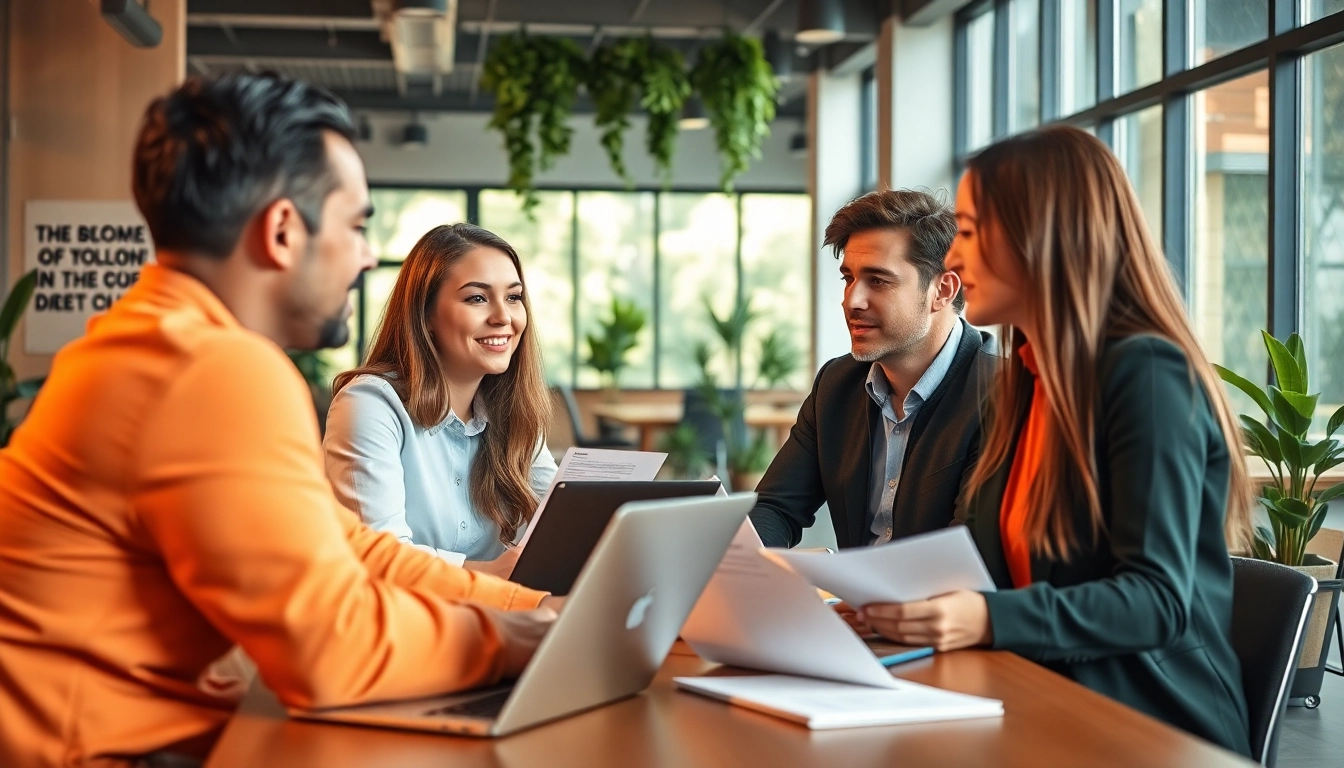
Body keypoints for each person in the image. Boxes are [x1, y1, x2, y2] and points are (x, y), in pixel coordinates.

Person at [0, 74, 559, 768]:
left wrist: (534, 605)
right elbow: (327, 649)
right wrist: (508, 638)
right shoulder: (211, 368)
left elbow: (357, 549)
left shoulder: (160, 341)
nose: (363, 255)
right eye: (357, 226)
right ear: (284, 230)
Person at [860, 125, 1252, 756]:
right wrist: (890, 604)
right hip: (1039, 697)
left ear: (1042, 234)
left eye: (969, 230)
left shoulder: (1147, 375)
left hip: (1149, 730)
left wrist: (987, 617)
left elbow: (1158, 601)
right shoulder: (1028, 377)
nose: (953, 260)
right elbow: (989, 566)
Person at [748, 189, 996, 549]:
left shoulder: (1000, 395)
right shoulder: (836, 385)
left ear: (942, 290)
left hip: (939, 601)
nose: (852, 300)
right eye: (848, 278)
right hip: (850, 601)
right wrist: (750, 572)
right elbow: (775, 508)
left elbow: (970, 552)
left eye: (878, 281)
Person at [323, 223, 557, 577]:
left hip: (502, 619)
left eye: (513, 297)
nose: (503, 317)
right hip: (404, 623)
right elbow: (377, 557)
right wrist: (492, 574)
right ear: (426, 315)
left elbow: (559, 517)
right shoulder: (370, 404)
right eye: (476, 298)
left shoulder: (513, 412)